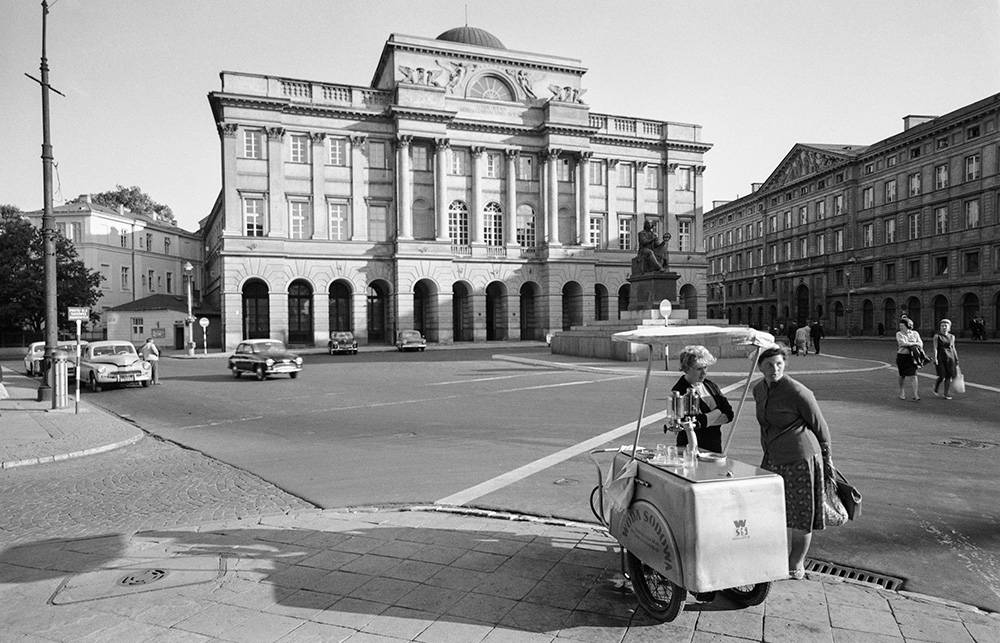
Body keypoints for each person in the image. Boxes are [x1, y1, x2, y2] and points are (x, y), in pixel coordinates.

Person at [753, 345, 833, 580]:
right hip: (773, 458)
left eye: (779, 364)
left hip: (801, 458)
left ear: (785, 365)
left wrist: (827, 459)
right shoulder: (758, 390)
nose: (774, 369)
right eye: (768, 365)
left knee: (800, 514)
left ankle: (795, 564)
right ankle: (775, 557)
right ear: (760, 367)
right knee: (772, 511)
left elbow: (820, 427)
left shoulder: (798, 391)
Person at [670, 345, 733, 455]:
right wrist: (718, 412)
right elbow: (688, 423)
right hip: (690, 448)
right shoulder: (679, 391)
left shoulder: (710, 385)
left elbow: (729, 414)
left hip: (714, 447)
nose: (704, 373)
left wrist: (705, 421)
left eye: (705, 367)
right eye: (699, 369)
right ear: (686, 368)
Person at [895, 318, 923, 401]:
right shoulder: (899, 334)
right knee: (902, 375)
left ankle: (915, 394)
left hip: (912, 357)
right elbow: (902, 343)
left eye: (902, 326)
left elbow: (921, 344)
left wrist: (910, 344)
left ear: (908, 325)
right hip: (902, 356)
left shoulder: (915, 333)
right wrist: (914, 343)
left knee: (914, 375)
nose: (900, 327)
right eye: (900, 326)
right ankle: (902, 392)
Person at [932, 319, 959, 399]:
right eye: (942, 326)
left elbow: (953, 348)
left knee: (948, 376)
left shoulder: (952, 337)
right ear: (940, 327)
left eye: (945, 326)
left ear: (949, 327)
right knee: (942, 375)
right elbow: (935, 348)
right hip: (940, 357)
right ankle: (936, 387)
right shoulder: (937, 336)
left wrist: (956, 359)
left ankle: (945, 394)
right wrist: (935, 358)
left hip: (950, 358)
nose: (944, 327)